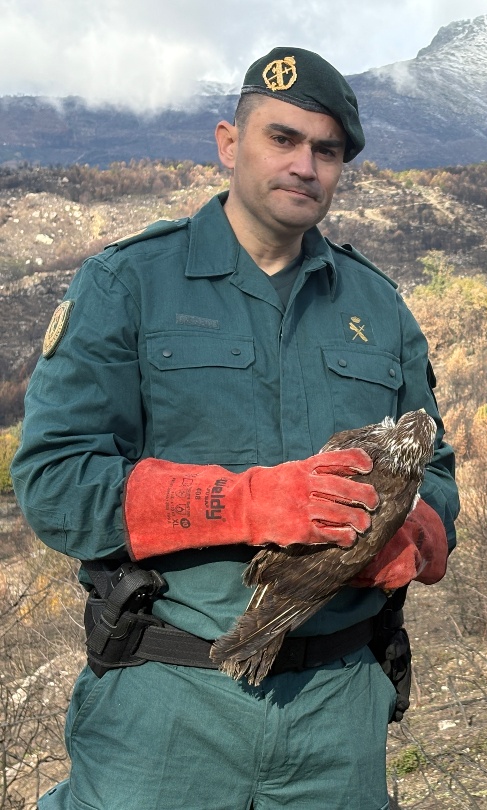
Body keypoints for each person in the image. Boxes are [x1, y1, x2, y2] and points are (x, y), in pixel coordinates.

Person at [12, 46, 458, 810]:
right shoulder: (129, 284)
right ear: (229, 142)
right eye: (282, 139)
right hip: (167, 702)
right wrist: (247, 503)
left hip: (336, 706)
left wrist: (413, 536)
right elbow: (53, 483)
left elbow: (437, 472)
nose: (305, 166)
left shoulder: (377, 307)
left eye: (326, 150)